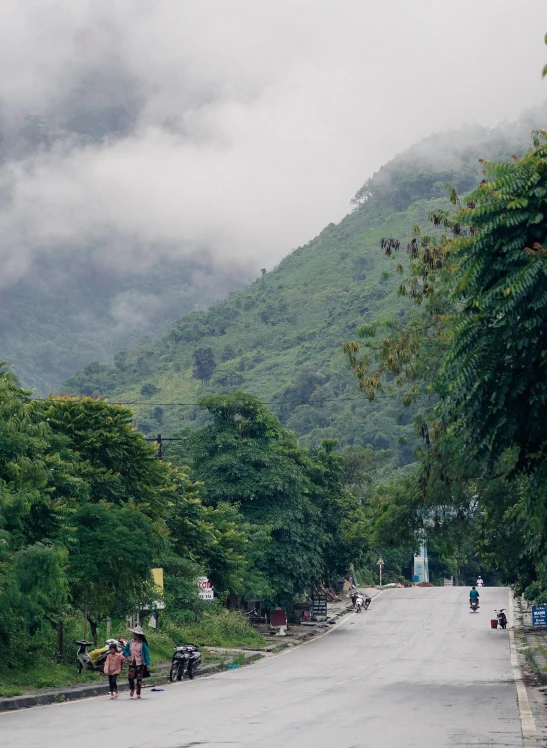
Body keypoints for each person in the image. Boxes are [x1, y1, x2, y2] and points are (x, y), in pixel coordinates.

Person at [123, 626, 150, 699]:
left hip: (140, 663)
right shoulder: (130, 642)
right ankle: (132, 688)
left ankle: (138, 693)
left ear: (138, 635)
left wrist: (148, 664)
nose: (133, 635)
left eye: (134, 633)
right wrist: (127, 656)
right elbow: (125, 650)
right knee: (130, 677)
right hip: (132, 662)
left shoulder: (143, 644)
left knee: (139, 678)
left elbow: (147, 654)